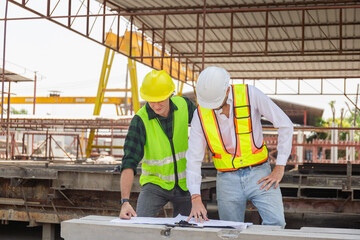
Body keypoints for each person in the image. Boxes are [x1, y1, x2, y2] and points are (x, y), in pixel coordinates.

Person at [186, 67, 293, 227]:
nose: (213, 108)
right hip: (226, 179)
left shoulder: (250, 94)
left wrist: (280, 166)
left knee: (276, 223)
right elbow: (193, 158)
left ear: (227, 90)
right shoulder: (200, 114)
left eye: (216, 103)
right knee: (230, 230)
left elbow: (285, 124)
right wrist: (195, 197)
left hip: (260, 174)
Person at [119, 70, 197, 219]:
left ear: (169, 94)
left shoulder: (184, 106)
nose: (156, 105)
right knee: (141, 224)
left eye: (160, 99)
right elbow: (129, 162)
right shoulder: (140, 121)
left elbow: (206, 127)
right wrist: (125, 201)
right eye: (151, 100)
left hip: (185, 184)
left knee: (189, 229)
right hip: (154, 184)